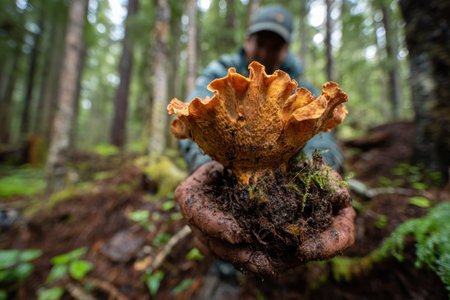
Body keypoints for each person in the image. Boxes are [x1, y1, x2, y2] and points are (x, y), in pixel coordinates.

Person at [176, 4, 355, 277]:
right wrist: (203, 165)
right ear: (247, 41)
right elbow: (192, 116)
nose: (265, 52)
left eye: (275, 46)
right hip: (231, 177)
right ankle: (226, 276)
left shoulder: (297, 82)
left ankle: (290, 278)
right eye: (260, 42)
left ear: (286, 50)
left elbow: (321, 138)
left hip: (285, 179)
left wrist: (324, 166)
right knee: (224, 228)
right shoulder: (221, 72)